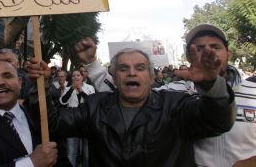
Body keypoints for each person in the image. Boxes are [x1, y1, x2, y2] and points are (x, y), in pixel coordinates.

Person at [27, 36, 236, 167]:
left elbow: (218, 122)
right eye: (123, 69)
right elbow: (53, 124)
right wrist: (41, 87)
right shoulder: (95, 106)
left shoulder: (176, 105)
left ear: (152, 77)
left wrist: (212, 84)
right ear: (115, 78)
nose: (131, 74)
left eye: (140, 68)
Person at [159, 24, 256, 167]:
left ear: (229, 54)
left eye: (215, 47)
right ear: (189, 57)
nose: (209, 53)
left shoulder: (253, 92)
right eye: (200, 49)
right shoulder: (172, 93)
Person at [59, 69, 94, 167]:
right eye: (73, 76)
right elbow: (63, 101)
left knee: (87, 152)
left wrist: (80, 90)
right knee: (71, 151)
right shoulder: (67, 88)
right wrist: (71, 89)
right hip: (72, 122)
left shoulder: (90, 88)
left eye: (78, 75)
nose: (76, 77)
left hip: (87, 122)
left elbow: (92, 102)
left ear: (82, 77)